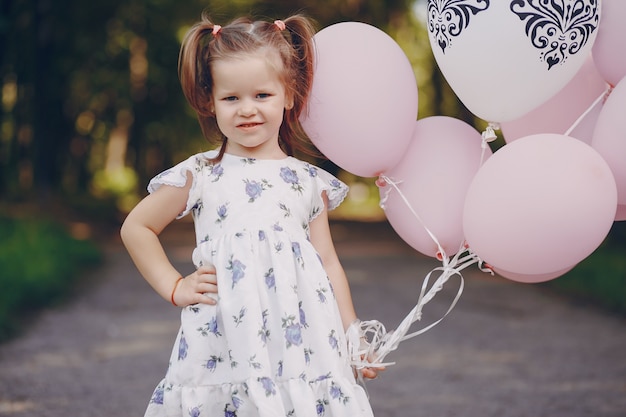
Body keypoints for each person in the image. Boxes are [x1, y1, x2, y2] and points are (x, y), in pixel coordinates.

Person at [121, 12, 381, 417]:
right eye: (231, 98)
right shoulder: (202, 174)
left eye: (262, 95)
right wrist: (174, 286)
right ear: (211, 102)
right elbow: (137, 227)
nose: (247, 110)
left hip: (304, 342)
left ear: (289, 95)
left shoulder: (308, 181)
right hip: (226, 338)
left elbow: (327, 261)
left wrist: (352, 334)